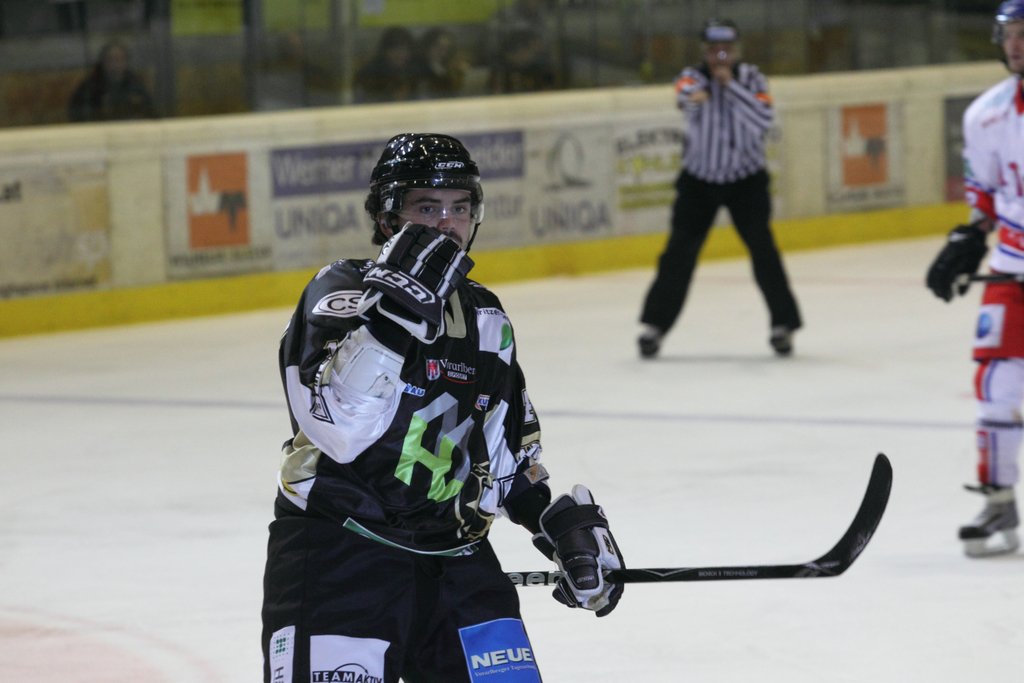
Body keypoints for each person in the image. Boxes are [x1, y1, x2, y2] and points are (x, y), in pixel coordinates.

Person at [261, 133, 626, 682]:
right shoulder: (343, 290)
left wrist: (553, 524)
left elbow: (504, 456)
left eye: (459, 207)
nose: (446, 224)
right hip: (340, 553)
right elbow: (339, 430)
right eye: (427, 208)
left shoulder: (486, 318)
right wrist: (394, 318)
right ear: (387, 217)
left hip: (459, 562)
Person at [636, 19, 802, 359]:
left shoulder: (753, 79)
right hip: (700, 182)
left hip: (746, 181)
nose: (720, 57)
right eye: (714, 50)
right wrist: (703, 92)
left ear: (737, 51)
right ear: (704, 52)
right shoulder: (692, 77)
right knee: (678, 254)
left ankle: (783, 325)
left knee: (763, 251)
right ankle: (655, 326)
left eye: (726, 50)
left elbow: (763, 119)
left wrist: (730, 87)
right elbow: (686, 98)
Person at [925, 0, 1024, 558]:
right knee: (996, 388)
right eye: (1009, 33)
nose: (1015, 44)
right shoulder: (986, 115)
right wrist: (968, 239)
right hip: (1012, 269)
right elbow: (985, 197)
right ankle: (999, 503)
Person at [68, 40, 156, 122]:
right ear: (103, 62)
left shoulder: (135, 84)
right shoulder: (90, 86)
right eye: (110, 60)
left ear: (126, 62)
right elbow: (78, 114)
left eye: (119, 59)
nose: (115, 65)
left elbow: (150, 111)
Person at [353, 26, 420, 104]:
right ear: (384, 51)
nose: (399, 54)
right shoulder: (370, 74)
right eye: (394, 49)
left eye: (404, 49)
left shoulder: (418, 71)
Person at [417, 27, 468, 100]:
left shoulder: (451, 68)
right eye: (438, 46)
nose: (442, 51)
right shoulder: (418, 70)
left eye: (446, 48)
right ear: (427, 46)